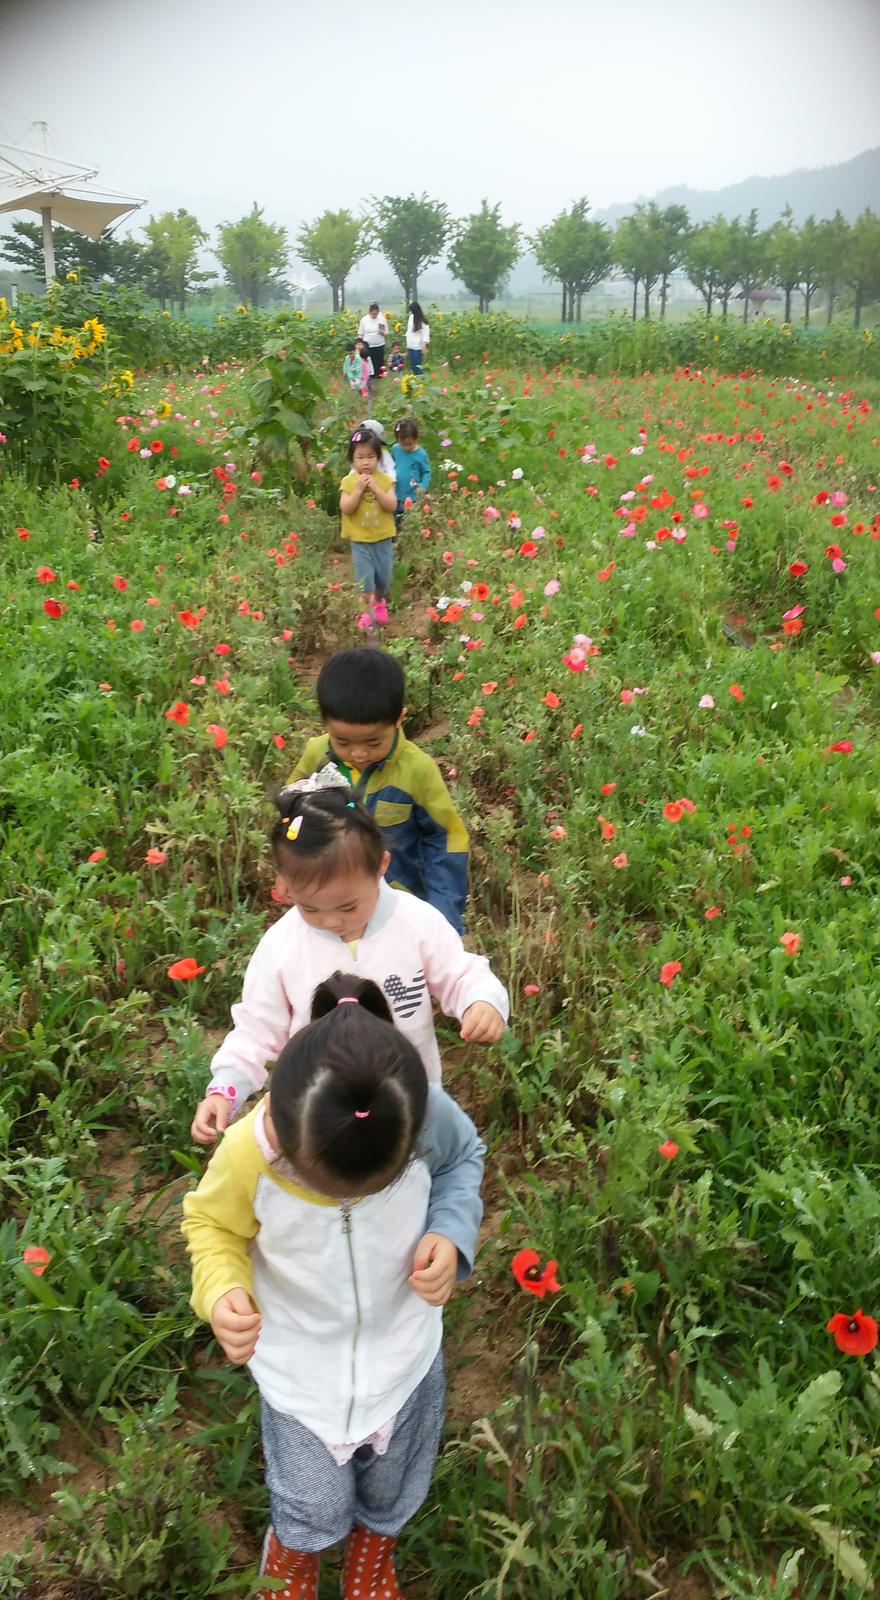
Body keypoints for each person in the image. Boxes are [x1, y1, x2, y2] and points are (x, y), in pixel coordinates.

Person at [183, 971, 485, 1600]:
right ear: (285, 1136)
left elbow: (463, 1159)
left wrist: (452, 1233)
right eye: (330, 1187)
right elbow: (210, 1224)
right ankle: (292, 1561)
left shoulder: (423, 1114)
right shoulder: (248, 1155)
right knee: (311, 1502)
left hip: (407, 1355)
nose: (349, 1199)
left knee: (393, 1488)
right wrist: (221, 1291)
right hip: (301, 1373)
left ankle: (373, 1560)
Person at [190, 776, 506, 1143]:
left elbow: (459, 972)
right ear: (285, 886)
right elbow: (257, 1029)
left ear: (381, 866)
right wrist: (225, 1089)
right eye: (311, 908)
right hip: (319, 1113)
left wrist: (481, 1000)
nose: (332, 921)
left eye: (348, 906)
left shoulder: (415, 922)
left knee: (412, 1179)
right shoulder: (281, 946)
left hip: (405, 1104)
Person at [286, 647, 469, 931]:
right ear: (325, 724)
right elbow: (291, 815)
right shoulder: (316, 756)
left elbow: (446, 840)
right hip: (332, 907)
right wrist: (287, 869)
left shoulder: (417, 770)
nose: (358, 754)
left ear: (399, 719)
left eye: (373, 743)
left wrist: (443, 916)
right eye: (343, 742)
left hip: (400, 910)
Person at [340, 427, 396, 633]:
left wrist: (376, 489)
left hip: (382, 539)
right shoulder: (348, 482)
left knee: (383, 577)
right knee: (365, 580)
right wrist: (358, 489)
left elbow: (391, 505)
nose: (365, 462)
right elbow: (346, 507)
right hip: (360, 540)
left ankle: (379, 602)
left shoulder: (384, 480)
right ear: (352, 460)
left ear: (378, 458)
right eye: (360, 457)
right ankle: (366, 610)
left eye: (371, 457)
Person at [391, 417, 431, 533]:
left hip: (412, 495)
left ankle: (408, 541)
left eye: (410, 444)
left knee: (410, 521)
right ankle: (395, 543)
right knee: (394, 521)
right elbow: (391, 465)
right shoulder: (395, 449)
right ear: (398, 440)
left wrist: (422, 486)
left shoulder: (421, 454)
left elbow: (427, 472)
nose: (407, 447)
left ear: (416, 439)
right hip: (396, 493)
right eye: (403, 444)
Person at [361, 417, 397, 482]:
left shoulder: (383, 454)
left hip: (381, 484)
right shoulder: (358, 454)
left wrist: (389, 482)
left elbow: (390, 469)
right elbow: (354, 470)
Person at [357, 302, 388, 379]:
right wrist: (359, 345)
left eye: (376, 314)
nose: (374, 315)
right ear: (369, 312)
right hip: (368, 345)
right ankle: (369, 375)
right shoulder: (364, 320)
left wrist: (383, 333)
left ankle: (379, 375)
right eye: (372, 314)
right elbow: (360, 333)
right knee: (369, 361)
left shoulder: (381, 318)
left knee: (379, 361)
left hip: (379, 344)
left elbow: (386, 331)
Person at [405, 303, 430, 374]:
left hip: (417, 348)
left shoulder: (423, 321)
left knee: (418, 368)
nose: (411, 312)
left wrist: (424, 347)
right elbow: (408, 332)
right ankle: (416, 382)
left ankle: (421, 382)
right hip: (410, 346)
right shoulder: (411, 317)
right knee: (413, 367)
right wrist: (407, 346)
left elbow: (425, 336)